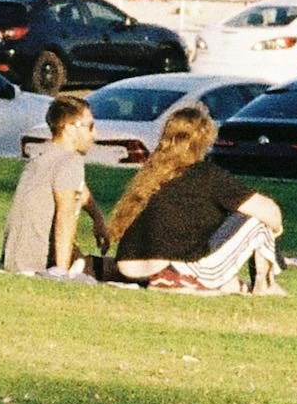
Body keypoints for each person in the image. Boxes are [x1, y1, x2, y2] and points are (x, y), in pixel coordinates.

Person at [104, 110, 286, 294]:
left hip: (128, 269)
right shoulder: (206, 175)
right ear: (206, 139)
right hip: (173, 270)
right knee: (258, 221)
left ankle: (249, 284)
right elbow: (270, 212)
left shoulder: (150, 175)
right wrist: (275, 231)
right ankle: (265, 285)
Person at [1, 94, 98, 273]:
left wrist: (98, 220)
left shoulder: (43, 157)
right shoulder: (70, 160)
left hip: (14, 260)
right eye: (90, 126)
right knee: (114, 269)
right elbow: (66, 215)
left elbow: (79, 189)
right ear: (70, 128)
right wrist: (61, 271)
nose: (94, 134)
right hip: (38, 264)